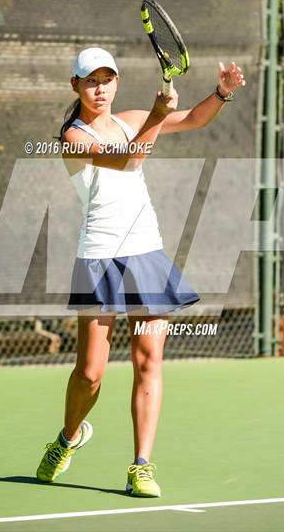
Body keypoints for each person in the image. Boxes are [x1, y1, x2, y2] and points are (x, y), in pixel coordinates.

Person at [36, 47, 245, 497]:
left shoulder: (131, 117)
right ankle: (69, 437)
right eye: (91, 80)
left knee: (148, 361)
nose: (100, 88)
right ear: (75, 85)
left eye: (107, 79)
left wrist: (221, 93)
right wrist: (154, 116)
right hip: (98, 257)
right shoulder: (72, 136)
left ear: (116, 83)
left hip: (145, 254)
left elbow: (191, 120)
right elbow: (128, 159)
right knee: (91, 372)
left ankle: (141, 465)